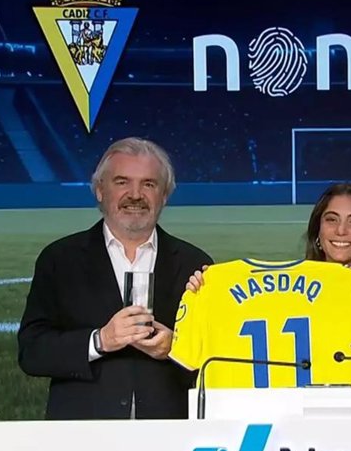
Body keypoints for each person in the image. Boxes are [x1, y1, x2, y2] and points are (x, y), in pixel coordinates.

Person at [17, 137, 212, 420]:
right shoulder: (60, 259)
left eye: (149, 184)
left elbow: (216, 360)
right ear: (99, 190)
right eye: (122, 182)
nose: (135, 194)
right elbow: (32, 352)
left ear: (164, 195)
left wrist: (177, 348)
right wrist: (100, 340)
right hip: (84, 432)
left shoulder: (195, 263)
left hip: (170, 432)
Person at [186, 182, 351, 386]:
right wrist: (207, 291)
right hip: (299, 414)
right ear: (318, 230)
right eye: (331, 220)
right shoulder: (289, 291)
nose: (341, 230)